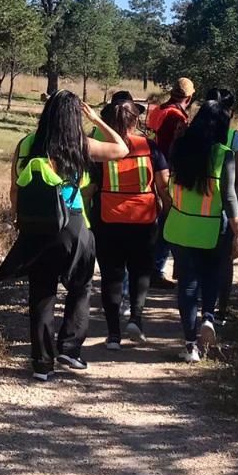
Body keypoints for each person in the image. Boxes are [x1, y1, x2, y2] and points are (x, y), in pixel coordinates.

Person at [0, 91, 128, 381]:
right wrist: (97, 119)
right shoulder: (80, 144)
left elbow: (14, 188)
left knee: (41, 293)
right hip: (73, 225)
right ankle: (70, 347)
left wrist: (20, 219)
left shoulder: (26, 144)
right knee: (80, 286)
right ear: (75, 115)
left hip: (35, 228)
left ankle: (42, 364)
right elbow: (121, 148)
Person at [161, 100, 238, 362]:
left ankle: (189, 345)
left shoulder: (180, 147)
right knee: (211, 276)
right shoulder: (223, 154)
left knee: (187, 284)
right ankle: (208, 316)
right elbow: (229, 196)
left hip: (181, 225)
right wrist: (237, 230)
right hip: (212, 228)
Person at [88, 94, 170, 348]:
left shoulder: (102, 148)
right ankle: (136, 317)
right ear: (136, 121)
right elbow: (163, 186)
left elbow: (90, 186)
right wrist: (167, 211)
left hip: (108, 219)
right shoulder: (150, 147)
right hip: (143, 220)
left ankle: (113, 335)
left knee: (112, 276)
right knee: (140, 271)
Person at [205, 88, 238, 325]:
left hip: (197, 205)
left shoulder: (193, 132)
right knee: (225, 261)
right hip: (226, 205)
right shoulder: (234, 136)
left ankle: (202, 305)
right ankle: (221, 309)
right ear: (230, 111)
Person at [148, 77, 194, 284]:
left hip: (152, 168)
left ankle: (155, 266)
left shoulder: (159, 110)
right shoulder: (176, 116)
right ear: (190, 97)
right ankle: (156, 268)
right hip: (167, 172)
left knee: (159, 220)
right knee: (168, 222)